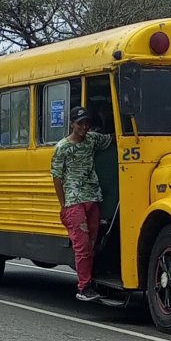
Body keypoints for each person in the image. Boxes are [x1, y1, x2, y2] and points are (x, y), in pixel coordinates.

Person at [51, 106, 113, 301]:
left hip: (92, 197)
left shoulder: (93, 140)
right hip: (73, 201)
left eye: (86, 123)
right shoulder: (62, 147)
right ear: (71, 124)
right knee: (82, 245)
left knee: (92, 243)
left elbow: (113, 138)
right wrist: (64, 204)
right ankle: (84, 286)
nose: (84, 127)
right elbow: (57, 177)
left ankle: (89, 282)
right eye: (80, 123)